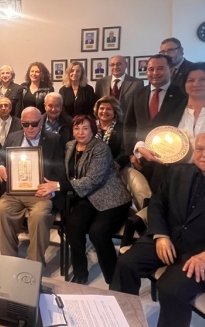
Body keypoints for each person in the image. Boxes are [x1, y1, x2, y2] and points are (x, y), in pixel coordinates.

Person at [110, 131, 205, 327]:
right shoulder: (178, 172)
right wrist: (160, 235)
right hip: (169, 237)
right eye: (200, 148)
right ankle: (120, 319)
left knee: (170, 289)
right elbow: (157, 203)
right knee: (126, 264)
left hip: (203, 251)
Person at [0, 107, 67, 264]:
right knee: (1, 210)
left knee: (40, 216)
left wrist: (53, 188)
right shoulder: (13, 137)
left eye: (34, 124)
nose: (30, 128)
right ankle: (9, 261)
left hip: (40, 192)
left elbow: (61, 168)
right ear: (21, 123)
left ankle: (34, 263)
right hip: (14, 191)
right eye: (26, 124)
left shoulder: (54, 139)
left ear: (41, 122)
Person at [64, 115, 131, 284]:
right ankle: (80, 274)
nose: (80, 132)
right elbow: (70, 173)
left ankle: (114, 278)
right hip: (88, 196)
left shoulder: (101, 148)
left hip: (112, 198)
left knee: (97, 232)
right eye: (76, 128)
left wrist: (58, 186)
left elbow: (92, 180)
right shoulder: (70, 146)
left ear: (93, 130)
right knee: (73, 225)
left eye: (85, 128)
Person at [124, 54, 186, 192]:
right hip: (141, 158)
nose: (155, 73)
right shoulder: (137, 94)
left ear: (171, 70)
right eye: (151, 69)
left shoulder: (182, 95)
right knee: (144, 195)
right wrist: (131, 153)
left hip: (169, 160)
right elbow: (129, 125)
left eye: (160, 68)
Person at [94, 96, 129, 170]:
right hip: (91, 166)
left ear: (115, 111)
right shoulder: (90, 126)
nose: (104, 111)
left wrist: (117, 162)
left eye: (109, 109)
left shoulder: (123, 128)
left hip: (112, 168)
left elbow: (126, 150)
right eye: (101, 108)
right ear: (97, 110)